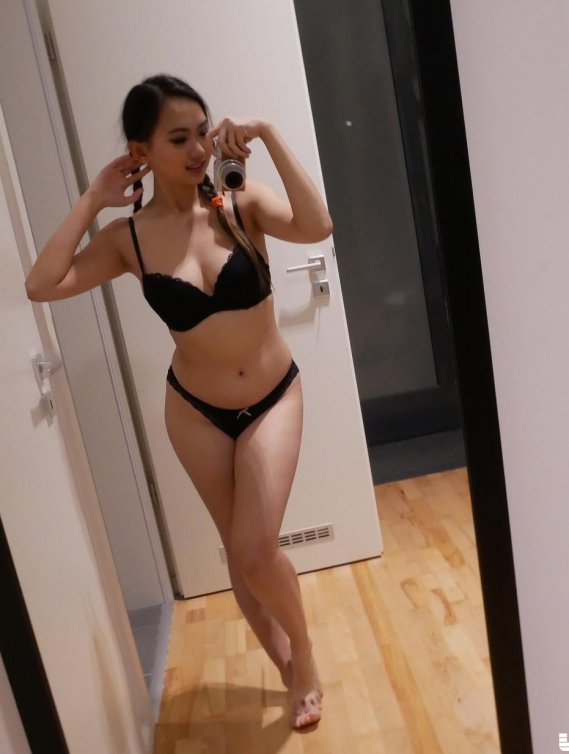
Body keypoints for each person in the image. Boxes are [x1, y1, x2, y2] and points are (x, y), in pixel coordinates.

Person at [24, 74, 332, 730]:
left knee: (256, 550)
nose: (197, 149)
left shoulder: (239, 203)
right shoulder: (129, 240)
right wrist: (93, 198)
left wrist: (268, 133)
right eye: (178, 138)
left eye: (201, 132)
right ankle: (283, 666)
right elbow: (42, 284)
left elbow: (317, 225)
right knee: (238, 553)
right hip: (194, 410)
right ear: (141, 150)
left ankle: (304, 654)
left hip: (273, 396)